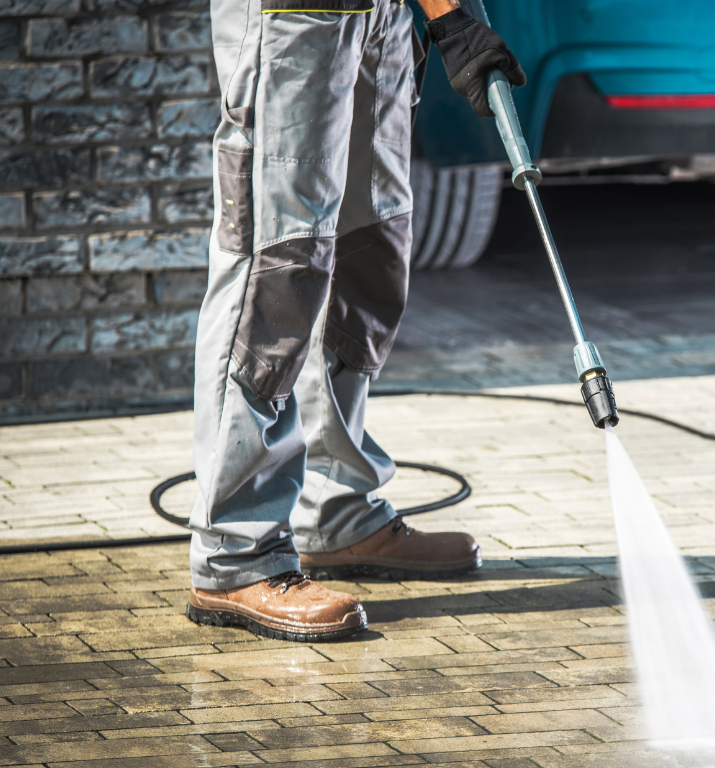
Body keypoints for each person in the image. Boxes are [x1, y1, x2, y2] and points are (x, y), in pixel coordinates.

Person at [186, 0, 526, 642]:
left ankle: (336, 511)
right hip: (295, 16)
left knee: (371, 252)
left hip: (385, 17)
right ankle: (237, 551)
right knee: (279, 262)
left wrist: (449, 14)